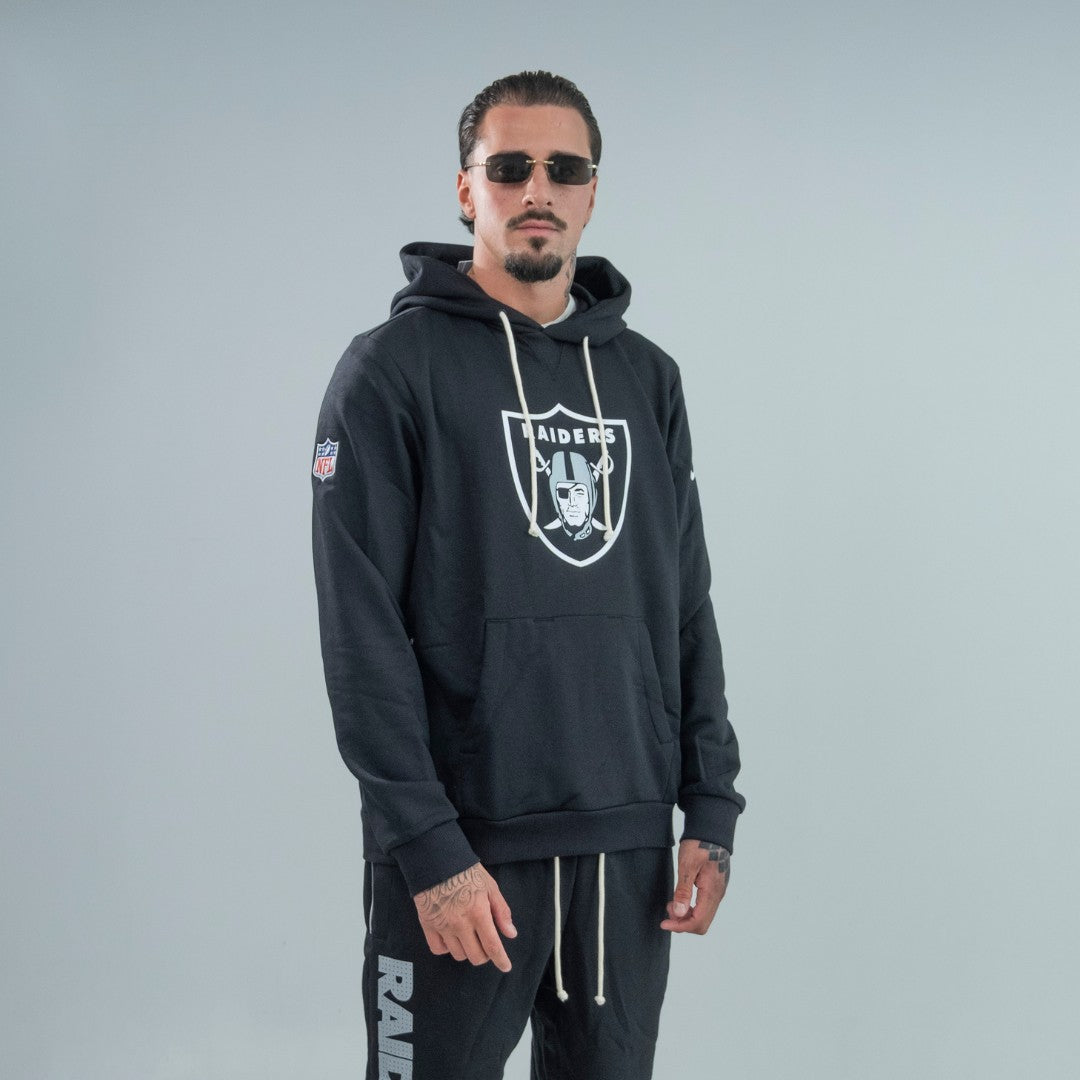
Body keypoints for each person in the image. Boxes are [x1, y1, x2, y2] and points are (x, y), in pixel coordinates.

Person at [312, 70, 745, 1080]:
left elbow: (683, 602)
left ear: (593, 192)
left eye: (564, 169)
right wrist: (429, 848)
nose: (537, 188)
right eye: (509, 167)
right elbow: (360, 631)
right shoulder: (390, 372)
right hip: (465, 851)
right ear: (467, 190)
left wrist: (710, 806)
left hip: (626, 847)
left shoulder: (647, 378)